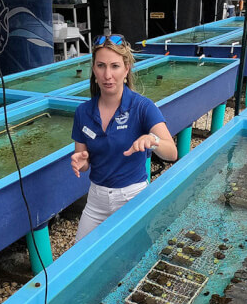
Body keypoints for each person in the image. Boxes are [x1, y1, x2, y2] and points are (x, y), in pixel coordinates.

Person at [71, 34, 177, 241]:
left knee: (133, 258)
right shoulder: (82, 112)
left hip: (132, 197)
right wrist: (81, 162)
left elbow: (171, 153)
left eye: (115, 66)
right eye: (101, 66)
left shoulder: (142, 107)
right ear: (93, 69)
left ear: (126, 69)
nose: (107, 75)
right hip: (96, 199)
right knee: (80, 254)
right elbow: (83, 162)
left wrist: (152, 141)